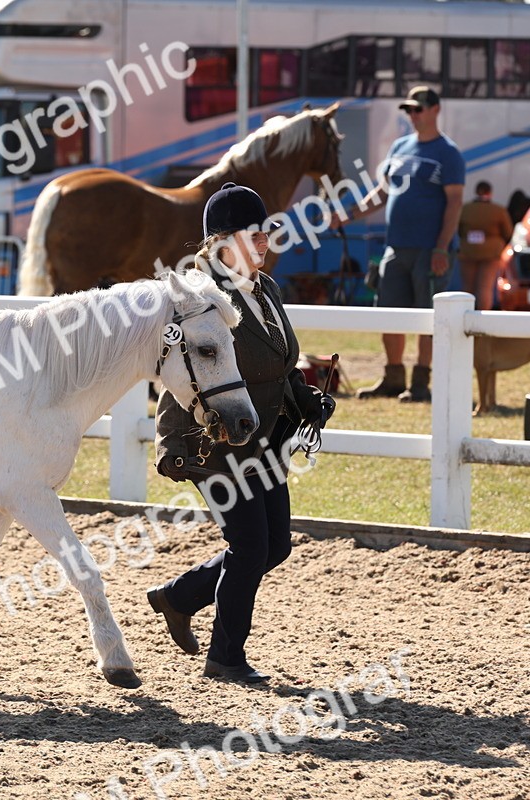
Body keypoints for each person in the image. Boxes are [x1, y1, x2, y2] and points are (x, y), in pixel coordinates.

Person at [147, 182, 336, 684]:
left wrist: (307, 399)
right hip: (213, 439)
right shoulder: (198, 296)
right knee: (250, 547)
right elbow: (189, 372)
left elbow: (279, 367)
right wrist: (173, 443)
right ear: (224, 241)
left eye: (267, 232)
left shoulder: (265, 289)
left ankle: (179, 596)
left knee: (274, 547)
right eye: (256, 234)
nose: (266, 241)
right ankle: (225, 657)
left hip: (265, 439)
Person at [331, 86, 465, 402]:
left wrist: (441, 248)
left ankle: (420, 384)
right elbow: (381, 193)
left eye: (418, 109)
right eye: (409, 110)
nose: (413, 115)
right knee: (388, 313)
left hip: (429, 251)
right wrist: (348, 216)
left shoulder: (448, 153)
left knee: (428, 317)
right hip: (396, 248)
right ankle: (393, 379)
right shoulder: (400, 146)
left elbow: (455, 203)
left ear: (435, 110)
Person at [458, 181, 513, 310]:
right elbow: (508, 232)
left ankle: (465, 315)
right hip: (491, 253)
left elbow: (459, 231)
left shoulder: (465, 209)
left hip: (467, 251)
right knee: (485, 287)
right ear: (490, 193)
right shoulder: (498, 210)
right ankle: (482, 319)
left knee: (467, 287)